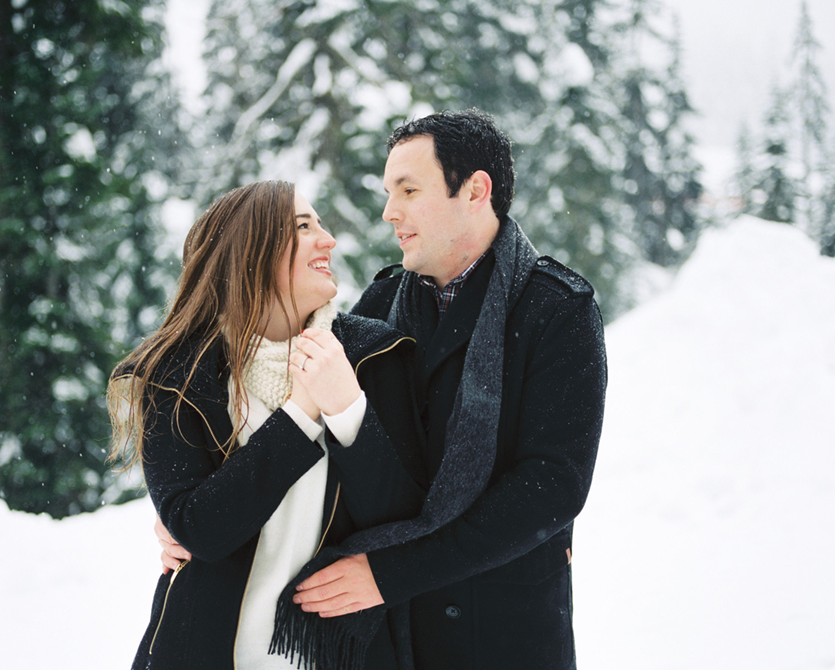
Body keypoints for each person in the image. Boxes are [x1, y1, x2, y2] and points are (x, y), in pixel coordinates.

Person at [160, 110, 608, 670]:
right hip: (391, 640)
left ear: (475, 190)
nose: (388, 212)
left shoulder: (556, 309)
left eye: (409, 190)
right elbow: (313, 447)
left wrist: (392, 572)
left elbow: (550, 487)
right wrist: (184, 511)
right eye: (388, 191)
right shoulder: (377, 311)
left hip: (501, 629)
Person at [108, 181, 425, 670]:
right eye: (304, 226)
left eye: (321, 224)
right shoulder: (175, 376)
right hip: (202, 652)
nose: (329, 240)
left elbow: (404, 517)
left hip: (338, 657)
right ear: (248, 251)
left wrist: (346, 407)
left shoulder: (374, 357)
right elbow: (201, 531)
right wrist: (301, 413)